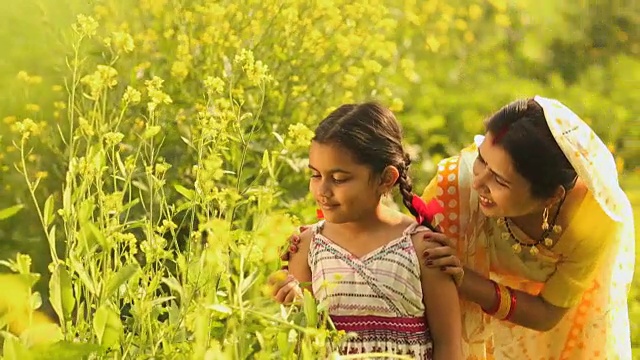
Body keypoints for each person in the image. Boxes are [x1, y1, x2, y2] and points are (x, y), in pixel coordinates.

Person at [273, 96, 635, 359]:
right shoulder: (455, 188)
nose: (478, 183)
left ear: (550, 196)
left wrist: (465, 279)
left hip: (554, 329)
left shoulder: (593, 220)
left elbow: (545, 315)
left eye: (500, 181)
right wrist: (303, 250)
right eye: (481, 160)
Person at [270, 102, 463, 359]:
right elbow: (302, 342)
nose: (322, 191)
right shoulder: (306, 246)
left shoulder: (421, 248)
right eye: (316, 175)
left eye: (339, 179)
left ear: (386, 179)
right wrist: (294, 302)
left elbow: (449, 346)